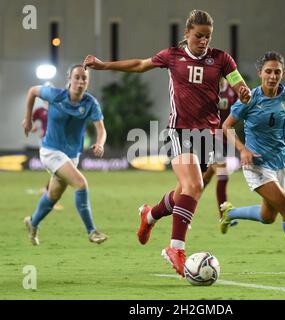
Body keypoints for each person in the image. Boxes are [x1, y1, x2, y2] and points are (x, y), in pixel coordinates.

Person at [84, 9, 251, 277]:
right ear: (186, 34)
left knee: (181, 194)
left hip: (206, 135)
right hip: (179, 130)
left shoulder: (221, 59)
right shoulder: (173, 56)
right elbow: (140, 64)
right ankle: (175, 248)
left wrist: (243, 92)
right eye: (198, 36)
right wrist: (105, 65)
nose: (203, 41)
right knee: (194, 185)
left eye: (207, 36)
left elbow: (238, 83)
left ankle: (149, 215)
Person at [221, 51, 285, 272]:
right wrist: (242, 149)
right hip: (255, 163)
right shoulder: (249, 98)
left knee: (268, 217)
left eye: (277, 72)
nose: (273, 76)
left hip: (278, 163)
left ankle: (230, 213)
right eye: (268, 71)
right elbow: (226, 126)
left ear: (282, 74)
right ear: (260, 73)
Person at [22, 64, 108, 246]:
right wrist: (28, 119)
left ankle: (32, 222)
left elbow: (101, 129)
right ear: (70, 79)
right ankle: (92, 231)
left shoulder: (90, 103)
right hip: (50, 151)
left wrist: (100, 144)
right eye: (77, 77)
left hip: (71, 156)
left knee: (53, 195)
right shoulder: (55, 95)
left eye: (84, 78)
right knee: (80, 183)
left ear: (87, 81)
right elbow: (32, 91)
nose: (80, 81)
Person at [202, 78, 238, 224]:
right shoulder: (205, 88)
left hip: (224, 139)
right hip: (209, 137)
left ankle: (181, 206)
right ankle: (224, 216)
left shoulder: (231, 89)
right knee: (223, 175)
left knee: (203, 180)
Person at [30, 96, 64, 210]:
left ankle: (48, 193)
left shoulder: (57, 108)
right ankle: (50, 199)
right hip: (47, 144)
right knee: (57, 172)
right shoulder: (40, 111)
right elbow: (33, 118)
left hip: (58, 142)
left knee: (56, 172)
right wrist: (35, 127)